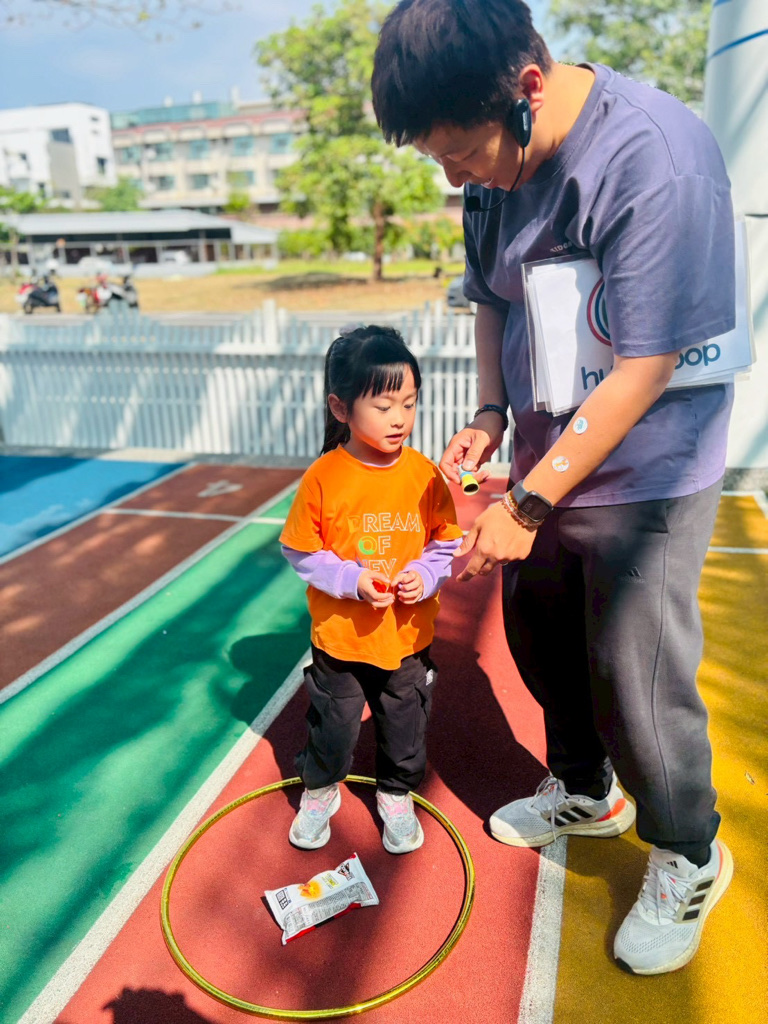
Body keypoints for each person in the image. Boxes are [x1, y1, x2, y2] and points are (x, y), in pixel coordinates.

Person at [372, 0, 735, 974]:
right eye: (438, 160)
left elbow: (647, 363)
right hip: (541, 451)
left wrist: (526, 504)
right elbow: (493, 297)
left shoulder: (654, 156)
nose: (455, 179)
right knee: (541, 636)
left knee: (636, 671)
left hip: (650, 465)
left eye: (462, 154)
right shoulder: (491, 172)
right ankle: (585, 787)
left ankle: (690, 853)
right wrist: (492, 414)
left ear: (528, 89)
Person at [280, 325, 463, 854]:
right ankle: (320, 789)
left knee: (405, 726)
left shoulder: (424, 473)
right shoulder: (324, 476)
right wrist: (352, 581)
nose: (399, 418)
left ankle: (395, 794)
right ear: (340, 408)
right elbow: (300, 550)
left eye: (409, 403)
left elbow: (445, 542)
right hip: (341, 640)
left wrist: (425, 574)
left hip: (405, 640)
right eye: (383, 406)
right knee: (333, 727)